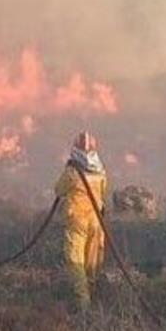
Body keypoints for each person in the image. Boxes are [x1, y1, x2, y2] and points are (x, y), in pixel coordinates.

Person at [54, 130, 109, 308]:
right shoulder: (101, 172)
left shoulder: (72, 172)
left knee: (74, 259)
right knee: (92, 261)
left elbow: (58, 190)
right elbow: (103, 193)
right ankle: (92, 294)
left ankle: (83, 302)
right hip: (96, 222)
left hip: (77, 222)